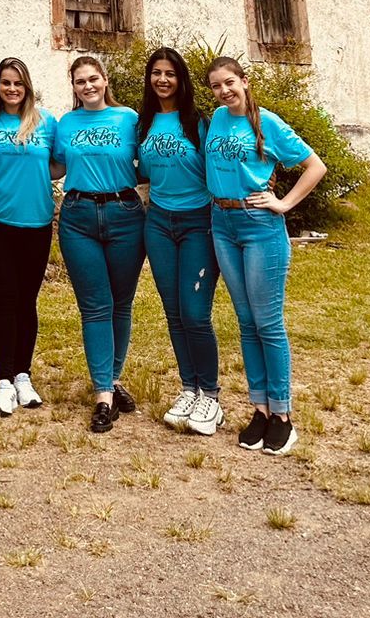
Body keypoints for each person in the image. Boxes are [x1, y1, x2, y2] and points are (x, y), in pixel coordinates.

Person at [205, 55, 326, 457]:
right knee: (245, 322)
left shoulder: (267, 122)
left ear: (244, 80)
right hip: (222, 224)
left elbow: (314, 166)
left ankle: (283, 417)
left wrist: (284, 203)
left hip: (260, 227)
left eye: (229, 83)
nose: (224, 91)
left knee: (268, 323)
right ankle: (259, 409)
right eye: (216, 86)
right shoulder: (217, 120)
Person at [56, 54, 144, 434]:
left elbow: (150, 161)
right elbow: (55, 166)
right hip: (78, 216)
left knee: (121, 304)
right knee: (95, 305)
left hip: (125, 213)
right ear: (73, 88)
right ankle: (103, 395)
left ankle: (114, 377)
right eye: (80, 82)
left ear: (105, 80)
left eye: (93, 79)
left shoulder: (129, 119)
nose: (88, 86)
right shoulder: (65, 123)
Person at [136, 48, 222, 436]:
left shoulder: (199, 124)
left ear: (181, 79)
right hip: (158, 223)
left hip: (196, 223)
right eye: (156, 73)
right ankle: (189, 388)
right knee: (173, 312)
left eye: (170, 73)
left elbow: (223, 165)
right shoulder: (144, 123)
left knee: (195, 312)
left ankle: (212, 397)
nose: (162, 79)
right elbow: (141, 174)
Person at [0, 58, 61, 417]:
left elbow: (59, 164)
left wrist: (33, 177)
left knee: (27, 300)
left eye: (18, 84)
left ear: (28, 87)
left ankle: (24, 376)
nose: (12, 89)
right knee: (4, 297)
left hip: (37, 222)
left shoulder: (47, 122)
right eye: (6, 83)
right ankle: (4, 382)